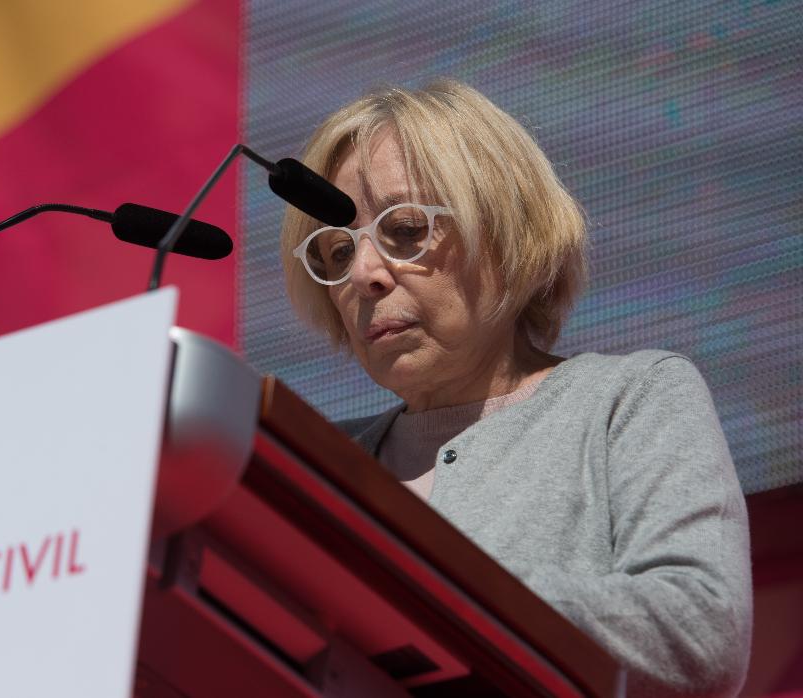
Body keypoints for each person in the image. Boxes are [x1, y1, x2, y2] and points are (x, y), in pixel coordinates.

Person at [279, 79, 752, 697]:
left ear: (505, 233)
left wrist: (435, 583)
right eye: (339, 250)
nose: (364, 273)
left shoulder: (629, 399)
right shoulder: (320, 464)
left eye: (404, 229)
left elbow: (700, 635)